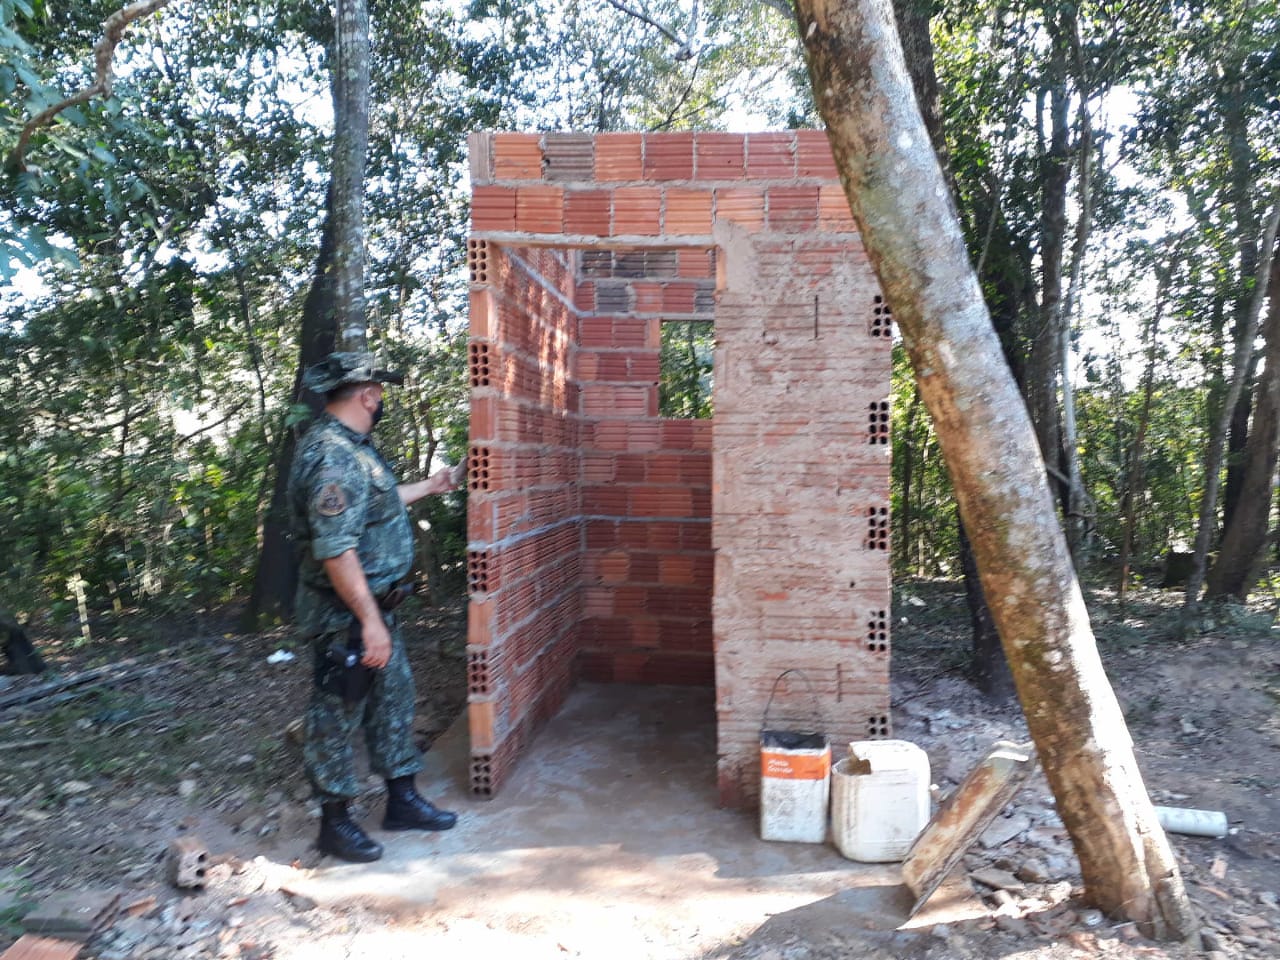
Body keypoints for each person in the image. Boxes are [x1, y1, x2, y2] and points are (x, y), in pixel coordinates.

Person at [288, 350, 460, 863]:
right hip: (345, 617)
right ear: (366, 395)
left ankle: (401, 801)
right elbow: (336, 550)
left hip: (377, 610)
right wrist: (367, 622)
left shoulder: (354, 449)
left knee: (392, 703)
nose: (381, 400)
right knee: (337, 714)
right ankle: (335, 824)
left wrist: (430, 486)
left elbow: (377, 505)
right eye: (379, 392)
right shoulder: (331, 456)